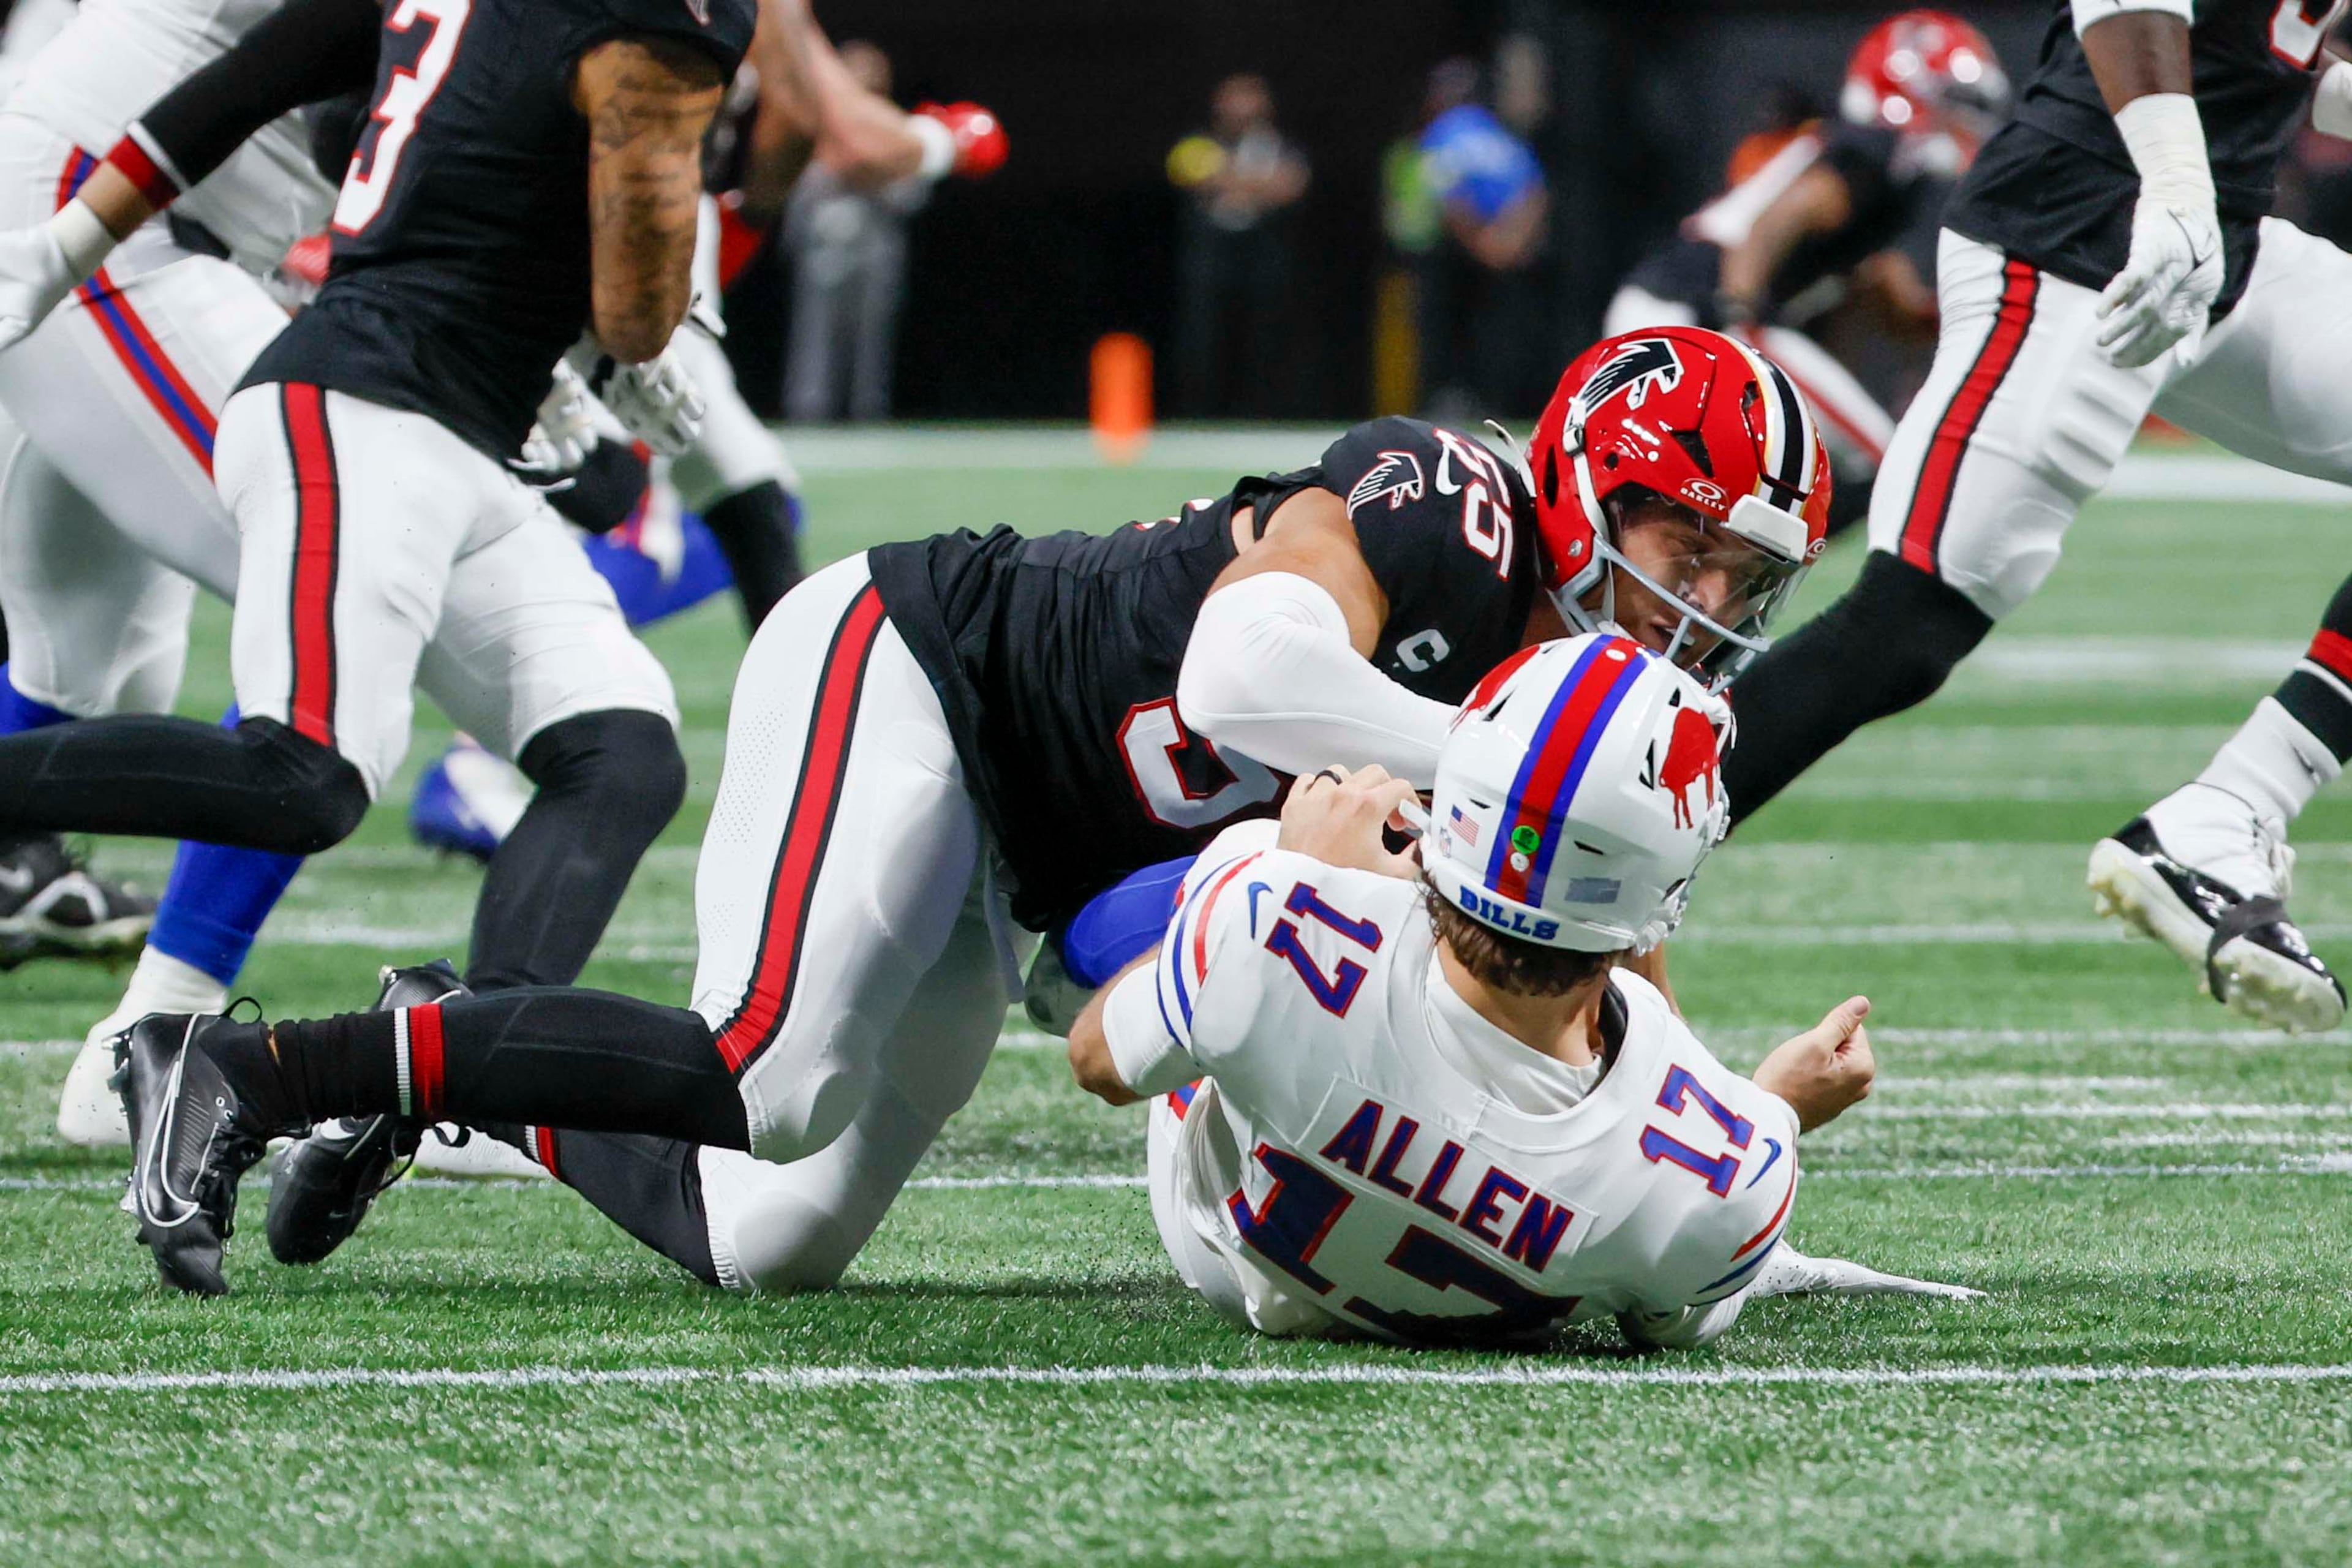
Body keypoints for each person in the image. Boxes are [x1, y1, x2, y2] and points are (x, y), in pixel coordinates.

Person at [104, 326, 1831, 1297]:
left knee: (771, 1234)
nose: (1711, 607)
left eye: (1747, 581)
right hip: (923, 666)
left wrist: (1714, 1185)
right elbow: (1241, 677)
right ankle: (251, 1068)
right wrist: (1460, 762)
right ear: (1602, 480)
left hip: (1030, 848)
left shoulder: (1580, 713)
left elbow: (1607, 988)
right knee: (767, 1072)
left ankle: (455, 1044)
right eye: (1694, 549)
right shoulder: (1446, 509)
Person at [1716, 0, 2352, 1035]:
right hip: (2075, 228)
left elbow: (2277, 48)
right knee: (1905, 630)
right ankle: (1555, 875)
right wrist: (2181, 185)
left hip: (2223, 246)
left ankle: (2226, 815)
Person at [1068, 652, 1975, 1348]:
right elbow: (1664, 1322)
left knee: (1248, 853)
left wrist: (1295, 868)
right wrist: (1774, 1106)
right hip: (1440, 1290)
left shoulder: (1273, 929)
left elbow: (1096, 1061)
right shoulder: (1732, 1169)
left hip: (1224, 1245)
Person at [1607, 10, 2011, 535]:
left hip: (1682, 309)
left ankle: (1738, 561)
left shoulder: (1887, 175)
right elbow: (1774, 224)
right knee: (1886, 462)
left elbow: (1882, 291)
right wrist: (1739, 319)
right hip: (1696, 311)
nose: (1963, 117)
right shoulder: (1871, 152)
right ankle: (1758, 563)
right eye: (1954, 98)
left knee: (1782, 474)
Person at [1167, 73, 1310, 418]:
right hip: (1212, 256)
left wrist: (1230, 179)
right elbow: (1188, 173)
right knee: (1204, 337)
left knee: (1265, 336)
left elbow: (1292, 184)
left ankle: (1263, 412)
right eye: (1235, 98)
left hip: (1263, 254)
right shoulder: (1199, 143)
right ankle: (1199, 412)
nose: (1242, 107)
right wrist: (1255, 182)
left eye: (1250, 97)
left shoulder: (1279, 145)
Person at [1414, 60, 1548, 421]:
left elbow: (1448, 196)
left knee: (1451, 333)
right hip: (1505, 250)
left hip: (1462, 254)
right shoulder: (1501, 133)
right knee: (1497, 335)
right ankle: (1495, 405)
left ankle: (1452, 402)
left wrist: (1482, 242)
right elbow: (1533, 192)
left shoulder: (1442, 131)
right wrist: (1511, 241)